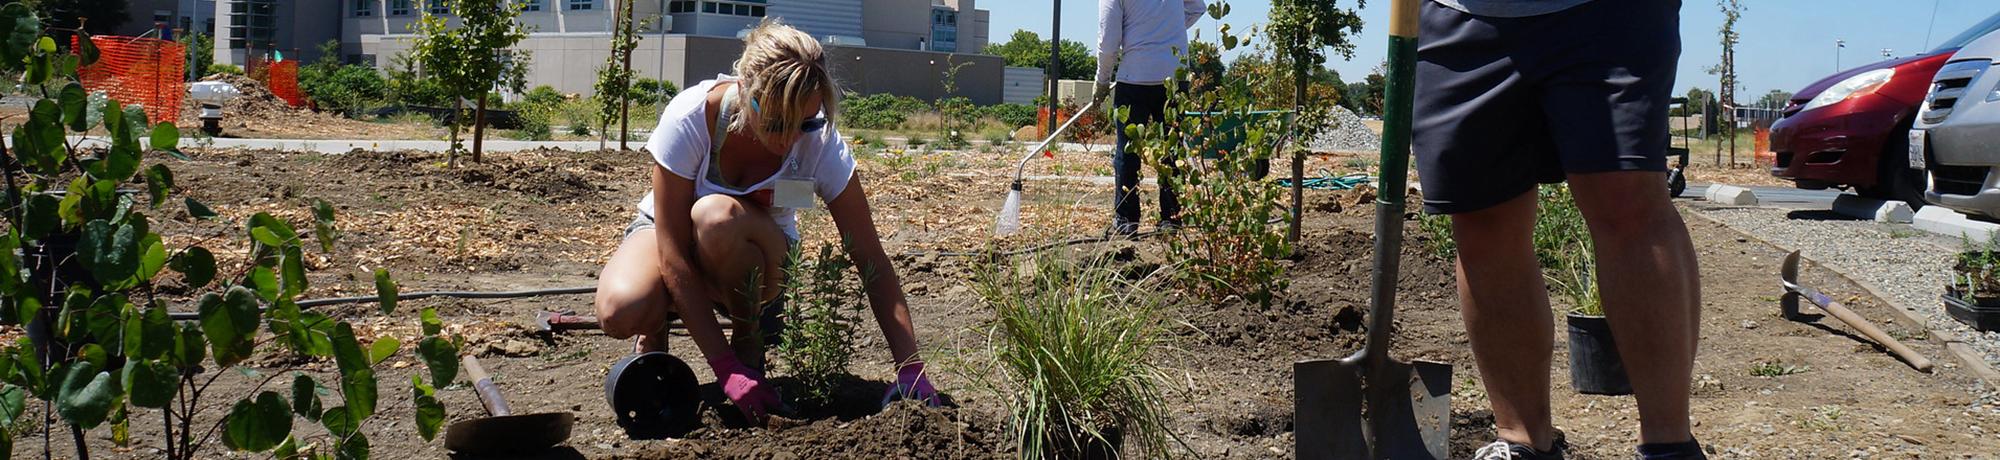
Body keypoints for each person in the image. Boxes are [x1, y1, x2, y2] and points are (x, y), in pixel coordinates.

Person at [592, 20, 939, 421]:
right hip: (672, 239)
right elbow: (670, 252)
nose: (790, 138)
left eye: (805, 122)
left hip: (758, 262)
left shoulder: (821, 144)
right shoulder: (691, 117)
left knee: (716, 217)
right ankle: (655, 333)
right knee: (620, 309)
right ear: (744, 90)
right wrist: (723, 370)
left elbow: (870, 257)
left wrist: (910, 366)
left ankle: (748, 340)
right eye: (776, 123)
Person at [1411, 1, 1704, 459]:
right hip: (1463, 12)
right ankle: (1522, 442)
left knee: (1626, 200)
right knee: (1481, 219)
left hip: (1603, 14)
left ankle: (1669, 446)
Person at [1095, 0, 1207, 235]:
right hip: (1174, 77)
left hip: (1134, 77)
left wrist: (1102, 80)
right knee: (1173, 150)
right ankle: (1172, 219)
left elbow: (1108, 44)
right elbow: (1197, 7)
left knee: (1127, 151)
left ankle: (1126, 221)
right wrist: (1165, 33)